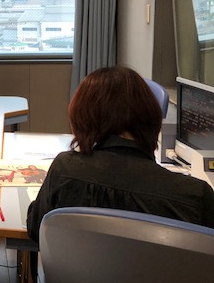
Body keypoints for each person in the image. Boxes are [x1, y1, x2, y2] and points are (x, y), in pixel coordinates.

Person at [26, 65, 214, 243]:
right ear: (152, 117)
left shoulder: (65, 170)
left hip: (76, 268)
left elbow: (36, 229)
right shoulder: (197, 196)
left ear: (83, 119)